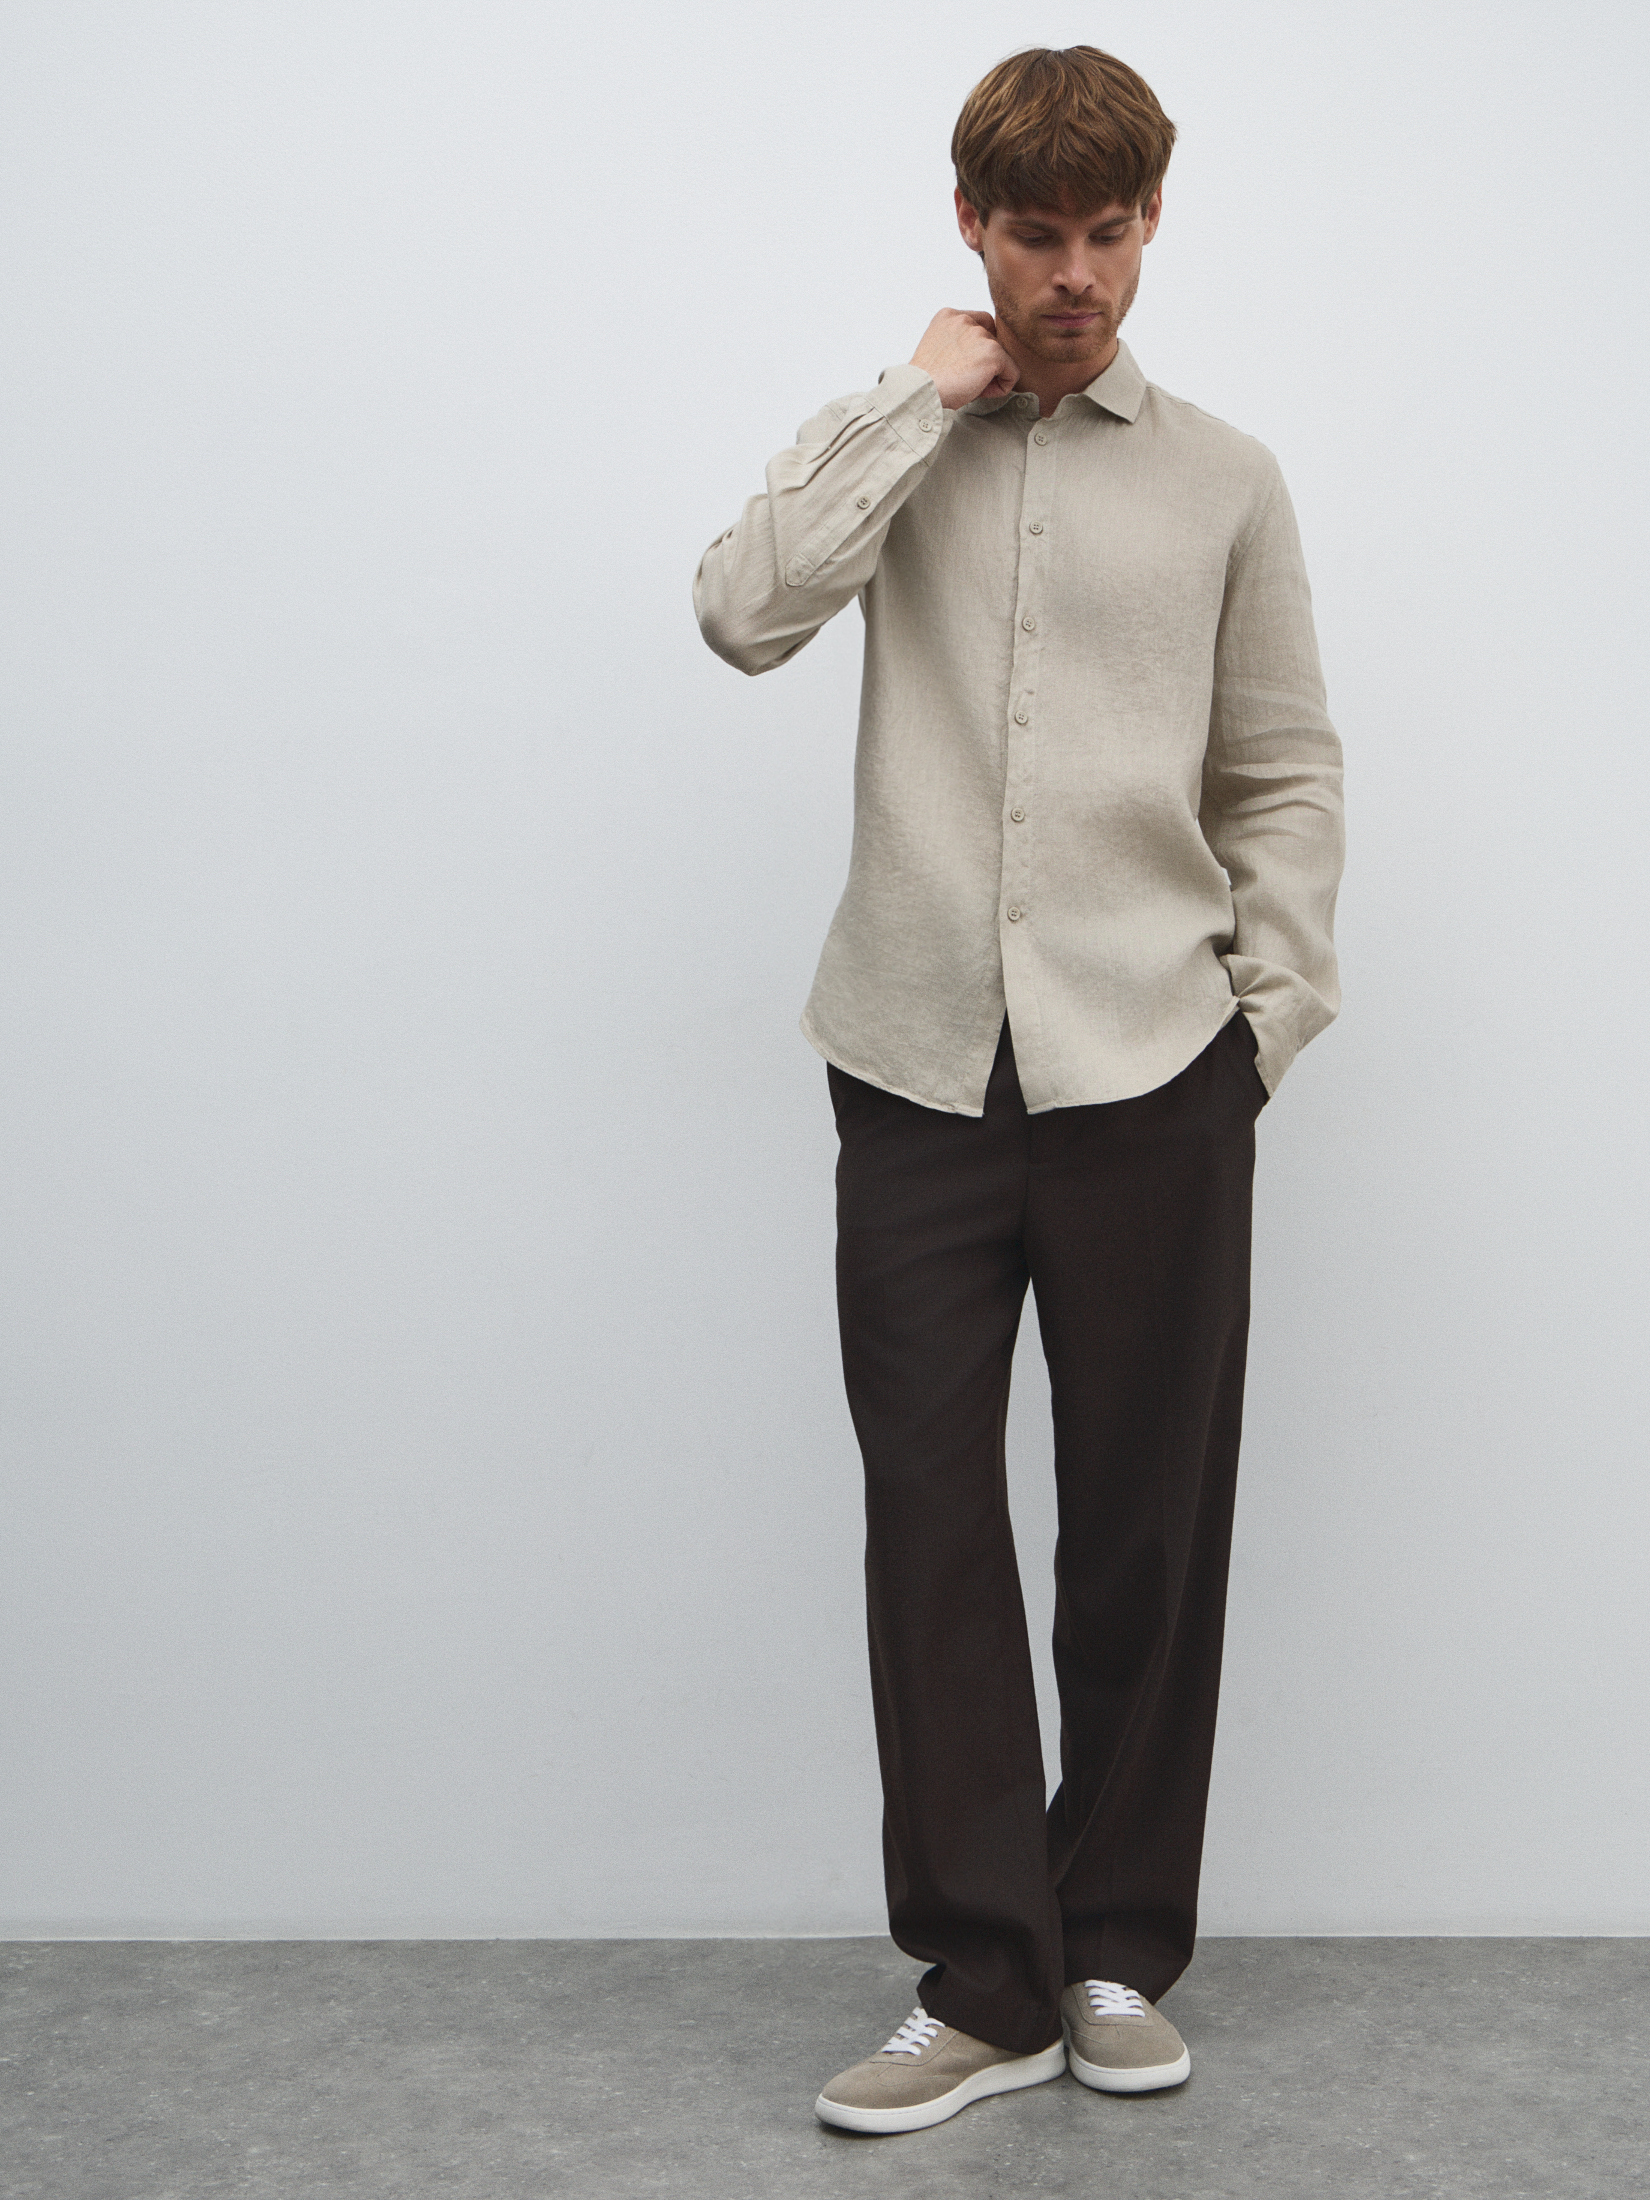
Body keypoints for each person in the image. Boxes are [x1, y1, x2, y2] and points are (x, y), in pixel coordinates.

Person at [692, 44, 1344, 2137]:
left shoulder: (1227, 479)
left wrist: (1263, 1021)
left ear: (1153, 223)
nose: (1076, 274)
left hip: (1155, 1064)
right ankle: (982, 1978)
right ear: (970, 226)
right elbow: (740, 611)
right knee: (931, 1516)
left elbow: (1281, 767)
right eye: (1037, 233)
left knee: (1144, 1522)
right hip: (914, 1064)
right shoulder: (899, 441)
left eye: (1110, 231)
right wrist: (915, 398)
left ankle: (1116, 1944)